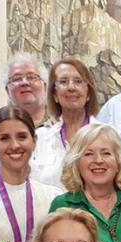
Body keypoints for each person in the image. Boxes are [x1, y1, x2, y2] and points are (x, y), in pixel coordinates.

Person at [0, 107, 65, 242]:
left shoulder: (52, 197)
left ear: (34, 141)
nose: (14, 145)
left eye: (22, 137)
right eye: (5, 138)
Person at [32, 58, 101, 188]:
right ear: (55, 95)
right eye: (63, 82)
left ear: (88, 93)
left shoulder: (106, 135)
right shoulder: (39, 137)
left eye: (78, 81)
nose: (71, 87)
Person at [4, 53, 49, 127]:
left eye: (31, 77)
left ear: (45, 86)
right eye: (17, 79)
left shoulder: (61, 122)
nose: (24, 82)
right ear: (7, 90)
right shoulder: (1, 126)